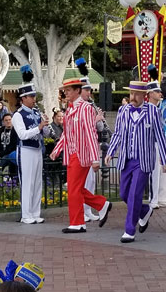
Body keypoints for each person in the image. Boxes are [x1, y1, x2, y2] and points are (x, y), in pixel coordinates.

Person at [105, 81, 166, 242]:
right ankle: (144, 211)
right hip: (127, 158)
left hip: (143, 160)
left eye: (136, 94)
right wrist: (111, 151)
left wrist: (165, 159)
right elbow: (118, 133)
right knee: (124, 194)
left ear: (144, 96)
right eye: (131, 94)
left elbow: (159, 136)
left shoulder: (153, 111)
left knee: (134, 194)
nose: (132, 97)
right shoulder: (123, 110)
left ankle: (129, 229)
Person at [50, 78, 111, 233]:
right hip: (71, 153)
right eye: (65, 90)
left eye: (69, 90)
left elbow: (91, 134)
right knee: (74, 188)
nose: (66, 93)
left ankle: (78, 222)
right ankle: (101, 205)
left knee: (74, 188)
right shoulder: (69, 109)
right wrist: (57, 149)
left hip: (81, 153)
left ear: (77, 90)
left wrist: (95, 158)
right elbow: (66, 134)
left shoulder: (85, 108)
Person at [12, 65, 49, 224]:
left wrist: (45, 126)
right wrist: (38, 127)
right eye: (31, 96)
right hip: (25, 150)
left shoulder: (36, 112)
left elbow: (45, 134)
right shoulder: (17, 115)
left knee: (37, 182)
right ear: (23, 98)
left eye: (34, 96)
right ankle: (26, 214)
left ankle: (35, 212)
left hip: (37, 149)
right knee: (27, 182)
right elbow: (22, 134)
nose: (34, 99)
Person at [76, 57, 107, 222]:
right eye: (86, 90)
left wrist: (100, 119)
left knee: (91, 181)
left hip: (92, 147)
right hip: (82, 149)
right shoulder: (77, 106)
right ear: (80, 90)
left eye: (89, 90)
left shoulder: (90, 106)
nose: (89, 93)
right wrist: (94, 120)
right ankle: (82, 210)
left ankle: (88, 211)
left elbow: (99, 129)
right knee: (82, 182)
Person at [146, 70, 166, 209]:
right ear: (150, 94)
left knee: (161, 172)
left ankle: (160, 198)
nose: (160, 94)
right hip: (150, 144)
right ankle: (153, 199)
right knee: (153, 173)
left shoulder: (158, 108)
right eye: (156, 92)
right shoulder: (147, 109)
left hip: (160, 143)